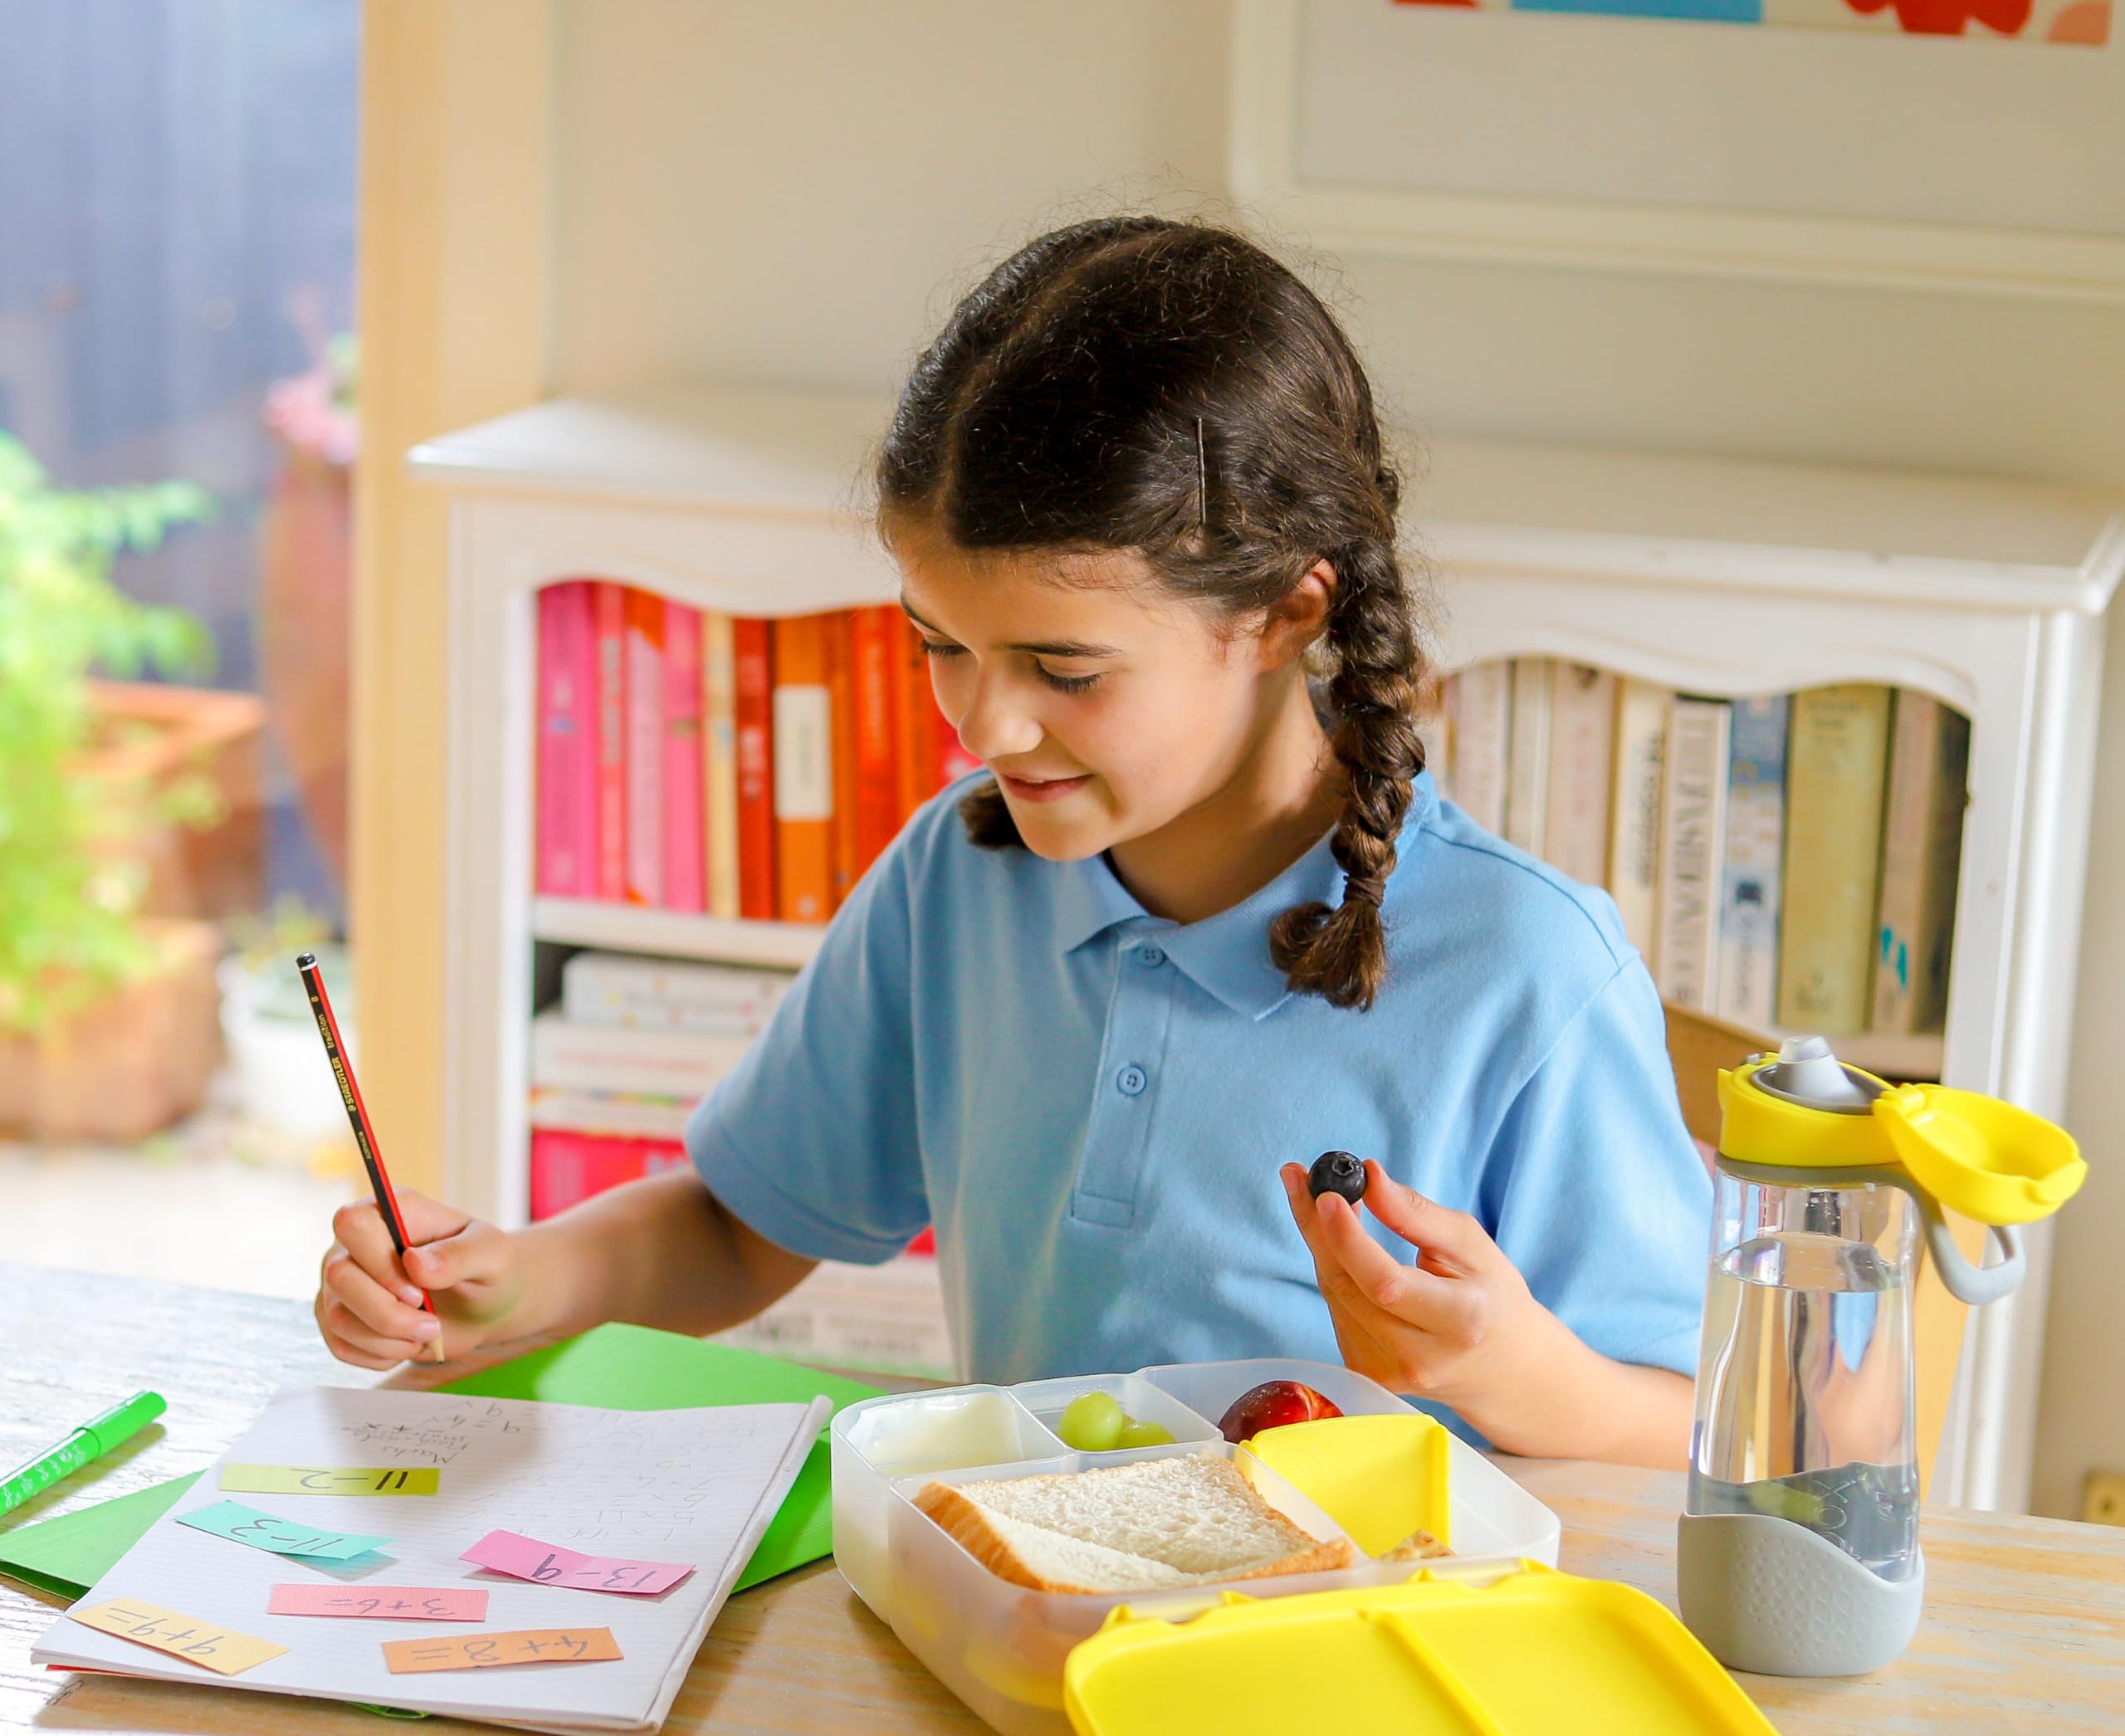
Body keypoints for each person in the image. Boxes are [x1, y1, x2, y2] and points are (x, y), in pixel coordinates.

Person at [315, 216, 1711, 1465]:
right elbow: (744, 1223)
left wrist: (1517, 1373)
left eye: (1064, 669)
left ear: (1288, 613)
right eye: (941, 646)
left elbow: (1700, 1427)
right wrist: (515, 1278)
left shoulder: (1526, 969)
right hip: (1028, 1643)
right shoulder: (960, 879)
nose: (984, 727)